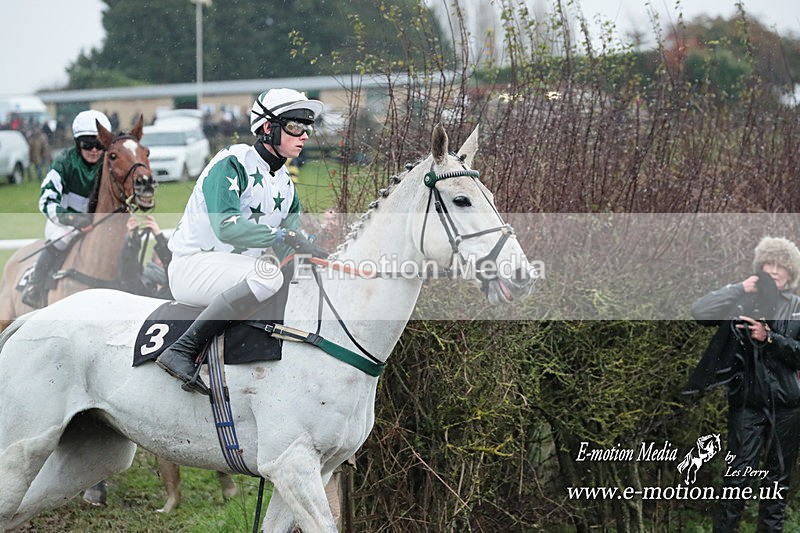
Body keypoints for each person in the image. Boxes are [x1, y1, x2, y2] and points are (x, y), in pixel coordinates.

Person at [156, 88, 328, 393]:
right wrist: (284, 235)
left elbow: (285, 246)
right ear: (266, 127)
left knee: (290, 279)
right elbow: (226, 227)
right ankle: (181, 350)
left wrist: (311, 247)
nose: (303, 135)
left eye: (307, 128)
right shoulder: (232, 162)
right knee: (268, 277)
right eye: (294, 127)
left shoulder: (287, 187)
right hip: (192, 267)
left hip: (238, 275)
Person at [688, 236, 800, 532]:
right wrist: (740, 287)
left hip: (788, 408)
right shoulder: (741, 301)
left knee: (777, 485)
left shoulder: (798, 307)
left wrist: (772, 338)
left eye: (781, 265)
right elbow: (699, 312)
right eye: (769, 263)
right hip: (747, 406)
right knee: (735, 483)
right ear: (760, 267)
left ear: (790, 273)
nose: (774, 270)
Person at [21, 110, 112, 309]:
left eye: (99, 145)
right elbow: (46, 201)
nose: (95, 150)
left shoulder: (108, 163)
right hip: (65, 223)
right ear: (78, 142)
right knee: (61, 240)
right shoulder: (64, 162)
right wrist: (74, 219)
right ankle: (35, 284)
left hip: (100, 223)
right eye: (88, 144)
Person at [117, 215, 173, 299]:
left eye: (162, 257)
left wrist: (159, 236)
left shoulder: (174, 285)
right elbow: (128, 269)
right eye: (159, 258)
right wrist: (133, 241)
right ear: (152, 260)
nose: (162, 261)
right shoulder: (144, 281)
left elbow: (169, 262)